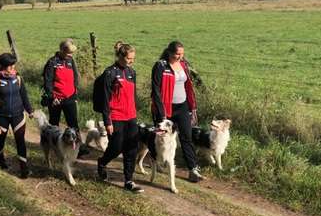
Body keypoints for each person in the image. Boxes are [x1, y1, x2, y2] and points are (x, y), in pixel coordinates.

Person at [151, 40, 203, 183]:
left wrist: (192, 107)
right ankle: (157, 161)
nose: (180, 57)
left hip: (182, 107)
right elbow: (155, 90)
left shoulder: (184, 65)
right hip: (165, 108)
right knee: (161, 138)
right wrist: (161, 113)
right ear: (169, 52)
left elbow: (189, 85)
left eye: (182, 54)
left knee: (187, 137)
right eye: (177, 54)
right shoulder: (160, 66)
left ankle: (193, 169)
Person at [97, 42, 143, 193]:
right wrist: (107, 121)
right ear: (121, 56)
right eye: (129, 58)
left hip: (131, 116)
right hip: (115, 116)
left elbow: (132, 95)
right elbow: (104, 99)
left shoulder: (132, 73)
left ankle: (129, 180)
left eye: (133, 59)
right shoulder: (110, 73)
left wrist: (135, 112)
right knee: (116, 147)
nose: (132, 61)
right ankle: (103, 162)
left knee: (131, 149)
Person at [0, 53, 34, 178]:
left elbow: (24, 95)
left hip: (18, 114)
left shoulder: (18, 78)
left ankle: (24, 168)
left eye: (13, 65)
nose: (13, 67)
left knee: (20, 141)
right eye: (10, 65)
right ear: (3, 66)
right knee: (1, 139)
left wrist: (30, 110)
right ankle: (0, 159)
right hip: (1, 115)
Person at [42, 39, 89, 157]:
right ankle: (55, 147)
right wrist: (52, 97)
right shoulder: (52, 62)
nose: (70, 55)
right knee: (54, 124)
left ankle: (78, 148)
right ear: (62, 50)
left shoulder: (70, 61)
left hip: (70, 98)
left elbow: (75, 78)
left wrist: (75, 94)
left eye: (72, 53)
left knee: (74, 123)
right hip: (56, 99)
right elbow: (47, 82)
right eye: (68, 53)